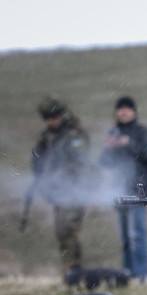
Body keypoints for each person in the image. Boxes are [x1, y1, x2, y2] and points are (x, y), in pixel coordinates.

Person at [99, 96, 147, 281]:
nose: (123, 112)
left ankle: (142, 275)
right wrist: (108, 148)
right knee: (126, 238)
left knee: (137, 234)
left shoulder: (142, 133)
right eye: (120, 109)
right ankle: (127, 274)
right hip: (119, 191)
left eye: (127, 109)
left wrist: (129, 145)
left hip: (138, 190)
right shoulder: (113, 134)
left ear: (134, 111)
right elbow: (103, 162)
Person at [29, 97, 91, 276]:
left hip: (75, 190)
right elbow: (37, 158)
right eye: (48, 118)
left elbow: (80, 162)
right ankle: (69, 269)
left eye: (54, 117)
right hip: (57, 191)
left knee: (68, 229)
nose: (51, 121)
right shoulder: (47, 136)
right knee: (61, 231)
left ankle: (74, 269)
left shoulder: (74, 135)